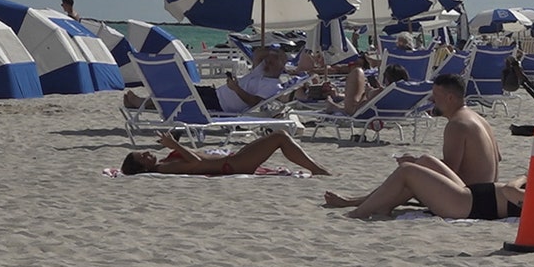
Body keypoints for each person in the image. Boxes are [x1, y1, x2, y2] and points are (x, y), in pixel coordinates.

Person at [323, 156, 534, 220]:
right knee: (426, 161)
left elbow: (509, 191)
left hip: (464, 204)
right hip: (469, 193)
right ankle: (361, 203)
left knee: (408, 171)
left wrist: (524, 176)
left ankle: (356, 213)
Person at [124, 44, 292, 114]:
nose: (266, 62)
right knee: (179, 89)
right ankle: (143, 103)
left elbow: (253, 102)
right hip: (215, 94)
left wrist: (235, 88)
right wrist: (273, 53)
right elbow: (258, 53)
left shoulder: (273, 85)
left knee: (180, 96)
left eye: (272, 62)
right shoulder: (261, 72)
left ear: (282, 66)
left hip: (220, 105)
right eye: (267, 60)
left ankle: (141, 104)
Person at [401, 72, 501, 185]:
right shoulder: (480, 120)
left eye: (435, 95)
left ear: (450, 98)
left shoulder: (457, 125)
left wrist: (415, 162)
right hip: (491, 190)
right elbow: (498, 157)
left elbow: (450, 170)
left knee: (407, 174)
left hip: (471, 193)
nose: (432, 99)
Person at [120, 130, 329, 176]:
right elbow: (194, 163)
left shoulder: (163, 162)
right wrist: (174, 145)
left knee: (278, 137)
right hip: (233, 165)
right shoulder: (164, 168)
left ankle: (317, 168)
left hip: (233, 159)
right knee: (279, 137)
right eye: (143, 157)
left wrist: (175, 144)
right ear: (143, 168)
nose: (147, 153)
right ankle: (317, 170)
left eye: (143, 151)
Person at [320, 64, 408, 116]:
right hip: (390, 113)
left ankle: (334, 107)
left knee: (357, 72)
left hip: (359, 112)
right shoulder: (403, 93)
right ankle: (335, 103)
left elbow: (369, 95)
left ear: (387, 79)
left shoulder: (382, 92)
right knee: (361, 93)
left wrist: (369, 90)